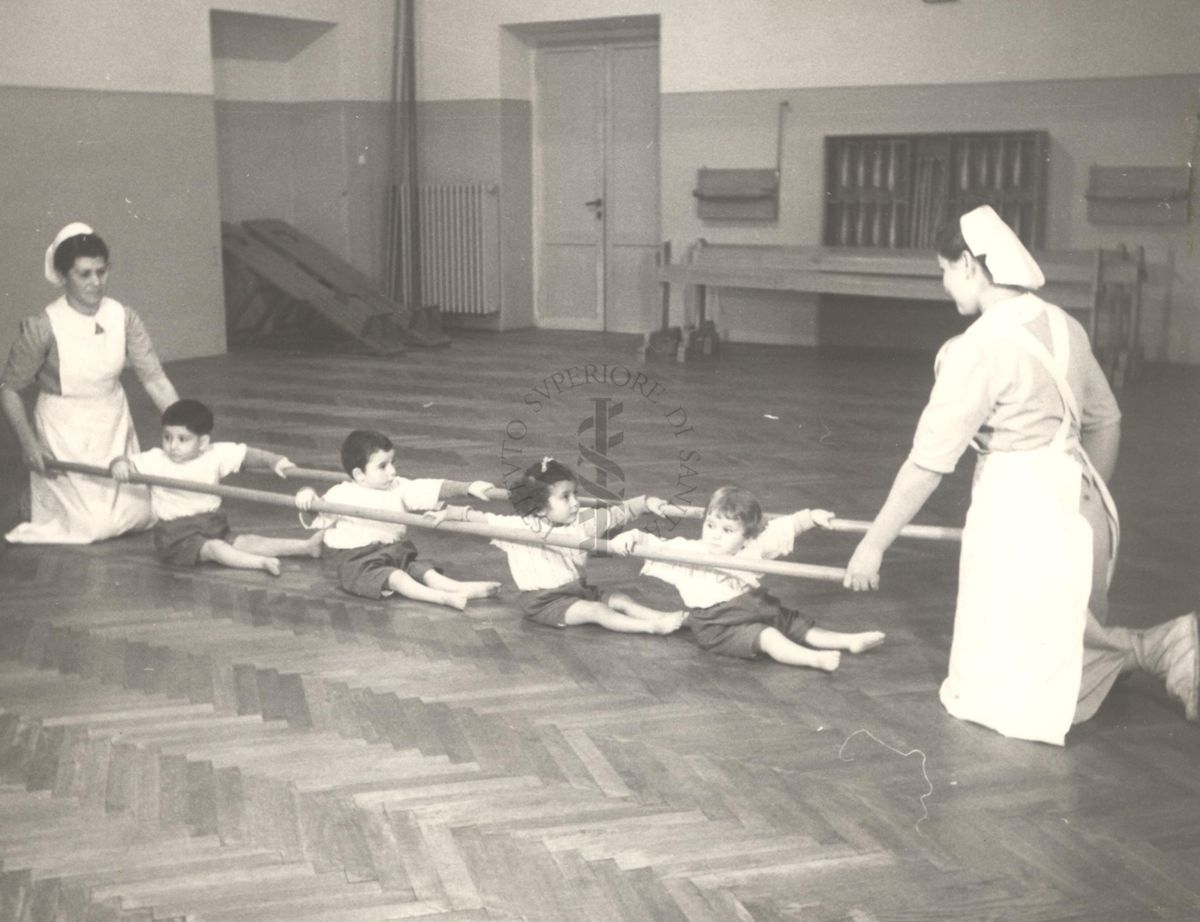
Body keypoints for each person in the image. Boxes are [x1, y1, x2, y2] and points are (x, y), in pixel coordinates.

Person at [844, 204, 1198, 744]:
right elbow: (1108, 422)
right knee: (1056, 646)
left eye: (943, 270)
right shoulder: (1066, 324)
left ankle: (1162, 646)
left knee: (996, 696)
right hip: (1086, 518)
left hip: (1018, 520)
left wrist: (873, 544)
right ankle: (1172, 645)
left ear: (968, 264)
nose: (944, 285)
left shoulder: (976, 349)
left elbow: (927, 464)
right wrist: (1078, 501)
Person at [2, 222, 180, 544]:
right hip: (63, 430)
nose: (96, 282)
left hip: (113, 424)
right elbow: (9, 390)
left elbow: (153, 378)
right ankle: (38, 501)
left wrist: (186, 424)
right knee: (97, 527)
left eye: (102, 271)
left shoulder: (123, 317)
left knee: (143, 515)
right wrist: (30, 445)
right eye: (84, 274)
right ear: (64, 275)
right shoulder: (43, 327)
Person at [625, 486, 885, 669]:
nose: (715, 535)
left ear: (747, 536)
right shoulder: (691, 551)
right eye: (710, 525)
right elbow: (656, 545)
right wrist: (632, 537)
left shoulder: (753, 548)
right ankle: (813, 659)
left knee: (793, 622)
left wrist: (811, 517)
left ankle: (847, 641)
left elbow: (782, 529)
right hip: (717, 626)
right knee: (768, 636)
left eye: (728, 530)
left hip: (753, 606)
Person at [110, 399, 322, 575]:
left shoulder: (214, 454)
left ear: (202, 443)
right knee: (215, 548)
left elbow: (246, 454)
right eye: (167, 437)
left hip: (212, 524)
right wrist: (120, 464)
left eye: (183, 439)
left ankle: (305, 547)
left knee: (246, 540)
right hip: (176, 535)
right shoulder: (156, 459)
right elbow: (127, 461)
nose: (172, 446)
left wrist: (275, 461)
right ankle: (261, 563)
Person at [294, 429, 501, 610]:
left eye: (393, 463)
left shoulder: (397, 486)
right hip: (357, 561)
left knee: (424, 571)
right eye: (383, 466)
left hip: (394, 551)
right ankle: (441, 598)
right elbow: (317, 518)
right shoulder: (340, 494)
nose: (392, 471)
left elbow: (429, 487)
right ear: (359, 475)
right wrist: (307, 495)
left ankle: (458, 587)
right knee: (398, 578)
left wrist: (467, 488)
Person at [474, 457, 684, 634]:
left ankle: (662, 616)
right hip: (543, 603)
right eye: (565, 497)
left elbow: (617, 513)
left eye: (575, 493)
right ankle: (651, 626)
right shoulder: (520, 528)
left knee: (620, 598)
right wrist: (447, 513)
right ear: (538, 509)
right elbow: (481, 520)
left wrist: (646, 502)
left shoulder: (581, 522)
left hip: (577, 590)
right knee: (596, 611)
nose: (575, 502)